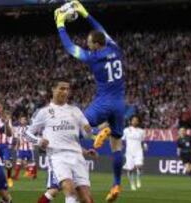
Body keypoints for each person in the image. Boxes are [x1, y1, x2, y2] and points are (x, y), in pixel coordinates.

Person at [55, 1, 125, 201]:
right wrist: (85, 13)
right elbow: (100, 29)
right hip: (120, 104)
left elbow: (70, 48)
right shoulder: (115, 47)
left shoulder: (94, 57)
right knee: (117, 146)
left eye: (89, 42)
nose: (87, 44)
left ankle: (96, 133)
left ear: (96, 44)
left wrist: (61, 24)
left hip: (103, 102)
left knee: (77, 127)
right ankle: (116, 184)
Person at [24, 78, 94, 203]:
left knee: (86, 198)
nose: (65, 92)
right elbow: (26, 133)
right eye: (62, 88)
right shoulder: (44, 112)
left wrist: (89, 131)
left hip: (77, 156)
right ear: (53, 90)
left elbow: (86, 135)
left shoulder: (75, 111)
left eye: (67, 89)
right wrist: (39, 141)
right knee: (70, 191)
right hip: (58, 156)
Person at [122, 116, 147, 191]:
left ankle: (138, 179)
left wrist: (145, 146)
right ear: (130, 121)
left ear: (138, 122)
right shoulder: (126, 130)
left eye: (136, 120)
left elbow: (143, 141)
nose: (135, 122)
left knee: (139, 166)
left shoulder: (141, 131)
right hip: (129, 152)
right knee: (130, 169)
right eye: (133, 120)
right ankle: (132, 184)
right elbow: (122, 140)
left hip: (138, 151)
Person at [0, 103, 15, 188]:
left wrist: (10, 143)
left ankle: (9, 178)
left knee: (8, 163)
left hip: (4, 145)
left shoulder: (7, 119)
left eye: (0, 107)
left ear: (2, 109)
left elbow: (10, 131)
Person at [13, 115, 37, 180]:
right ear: (20, 121)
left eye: (24, 119)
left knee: (31, 162)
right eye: (22, 120)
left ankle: (34, 174)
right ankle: (16, 176)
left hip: (29, 148)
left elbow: (33, 137)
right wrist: (16, 145)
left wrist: (33, 145)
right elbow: (18, 138)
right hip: (21, 148)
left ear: (26, 121)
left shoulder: (30, 128)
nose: (23, 121)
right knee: (18, 161)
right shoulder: (18, 129)